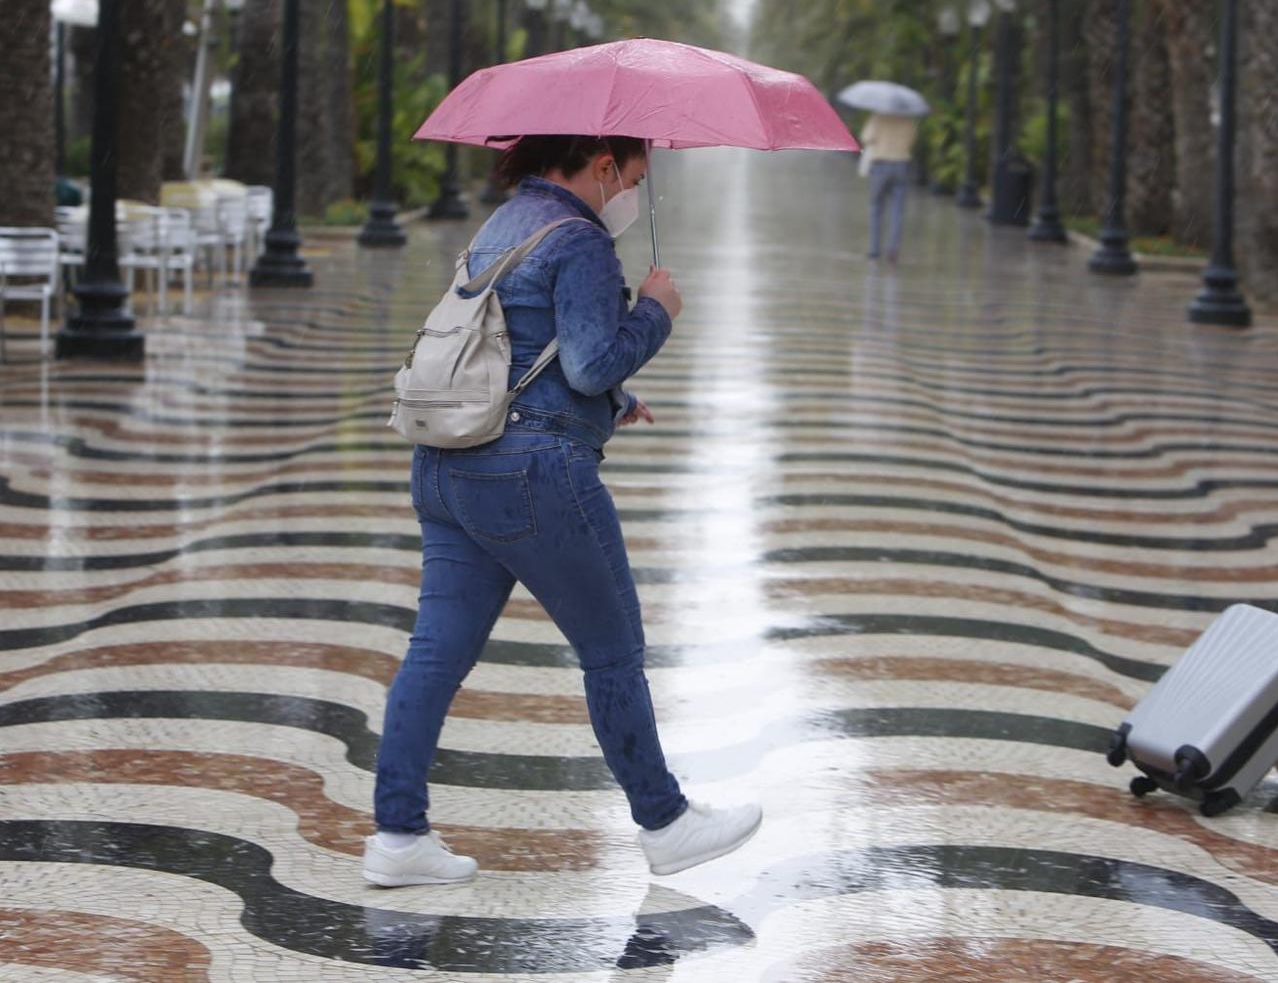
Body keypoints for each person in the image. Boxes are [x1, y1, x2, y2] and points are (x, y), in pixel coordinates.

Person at [366, 134, 762, 888]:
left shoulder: (504, 221)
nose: (636, 192)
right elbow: (587, 361)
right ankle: (666, 820)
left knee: (434, 653)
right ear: (602, 163)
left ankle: (397, 834)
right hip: (530, 476)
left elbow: (519, 349)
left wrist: (618, 403)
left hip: (447, 463)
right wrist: (655, 312)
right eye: (635, 174)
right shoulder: (579, 238)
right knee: (612, 650)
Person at [859, 111, 921, 263]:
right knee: (897, 210)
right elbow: (912, 141)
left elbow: (866, 138)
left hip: (880, 165)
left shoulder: (878, 117)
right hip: (901, 165)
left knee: (875, 207)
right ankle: (893, 249)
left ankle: (874, 250)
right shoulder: (908, 121)